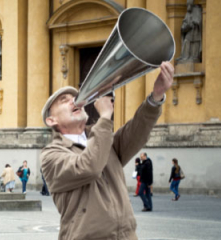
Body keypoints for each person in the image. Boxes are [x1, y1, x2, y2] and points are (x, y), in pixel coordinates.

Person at [40, 61, 174, 240]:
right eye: (64, 101)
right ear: (51, 121)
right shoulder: (51, 155)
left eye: (75, 97)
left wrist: (156, 97)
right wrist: (104, 117)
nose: (74, 100)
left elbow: (136, 132)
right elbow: (89, 167)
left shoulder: (101, 138)